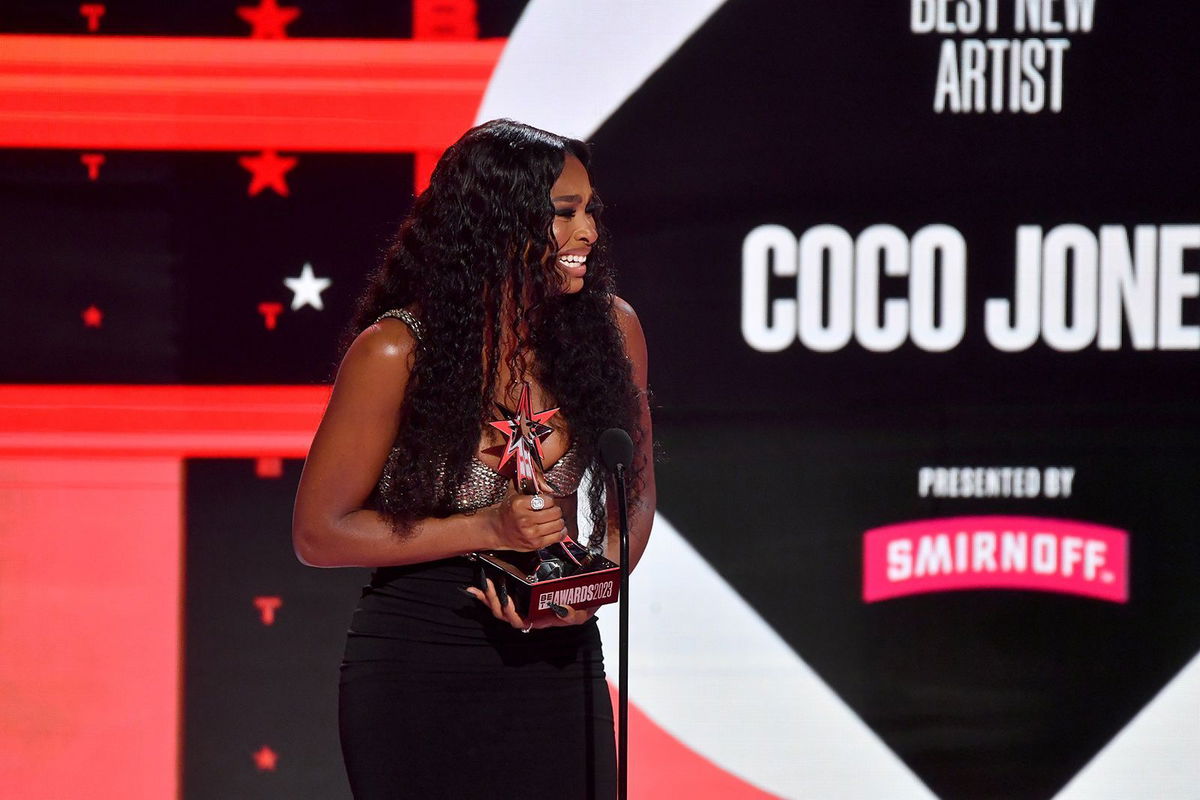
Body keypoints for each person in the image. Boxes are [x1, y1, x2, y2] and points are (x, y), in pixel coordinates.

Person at [291, 119, 655, 800]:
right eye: (564, 214)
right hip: (421, 663)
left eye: (590, 211)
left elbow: (634, 498)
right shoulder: (397, 352)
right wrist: (487, 530)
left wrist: (590, 584)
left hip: (560, 661)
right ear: (497, 223)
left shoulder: (614, 333)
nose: (589, 234)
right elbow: (319, 531)